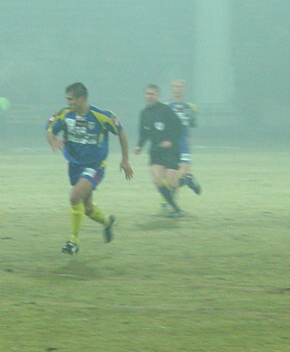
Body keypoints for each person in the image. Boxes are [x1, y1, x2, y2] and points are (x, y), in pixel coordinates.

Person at [46, 82, 133, 254]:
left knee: (74, 197)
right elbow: (50, 130)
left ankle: (73, 242)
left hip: (95, 166)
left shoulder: (101, 116)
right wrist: (53, 140)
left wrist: (125, 160)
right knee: (87, 208)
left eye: (71, 99)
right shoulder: (65, 114)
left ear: (81, 98)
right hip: (74, 166)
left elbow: (121, 133)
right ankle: (107, 222)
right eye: (67, 99)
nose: (68, 102)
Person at [134, 83, 187, 217]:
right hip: (156, 150)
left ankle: (187, 180)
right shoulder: (144, 113)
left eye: (152, 94)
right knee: (157, 181)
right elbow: (143, 133)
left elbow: (179, 127)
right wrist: (139, 145)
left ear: (157, 96)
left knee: (172, 182)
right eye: (147, 94)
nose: (149, 96)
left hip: (171, 150)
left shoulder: (165, 110)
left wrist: (170, 141)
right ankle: (176, 210)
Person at [168, 79, 202, 195]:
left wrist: (189, 140)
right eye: (175, 87)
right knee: (169, 175)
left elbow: (192, 124)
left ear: (184, 90)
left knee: (182, 172)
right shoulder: (165, 106)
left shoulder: (191, 107)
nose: (177, 89)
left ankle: (186, 180)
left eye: (179, 87)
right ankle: (170, 197)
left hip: (183, 145)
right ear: (172, 89)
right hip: (169, 145)